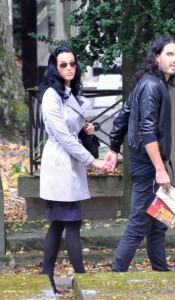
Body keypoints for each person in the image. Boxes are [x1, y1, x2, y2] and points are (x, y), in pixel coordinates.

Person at [105, 35, 175, 272]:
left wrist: (112, 148)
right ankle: (114, 277)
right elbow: (147, 130)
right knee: (138, 225)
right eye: (169, 54)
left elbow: (124, 115)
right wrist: (160, 169)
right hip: (149, 167)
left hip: (150, 165)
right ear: (157, 56)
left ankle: (162, 272)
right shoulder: (151, 85)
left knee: (159, 223)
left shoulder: (150, 82)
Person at [39, 45, 109, 295]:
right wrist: (94, 161)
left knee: (60, 224)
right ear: (54, 68)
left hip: (69, 164)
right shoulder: (51, 95)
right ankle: (81, 280)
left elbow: (72, 130)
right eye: (63, 65)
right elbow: (64, 137)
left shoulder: (70, 93)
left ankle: (47, 279)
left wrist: (85, 129)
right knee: (71, 223)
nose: (69, 68)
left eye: (72, 64)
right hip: (60, 164)